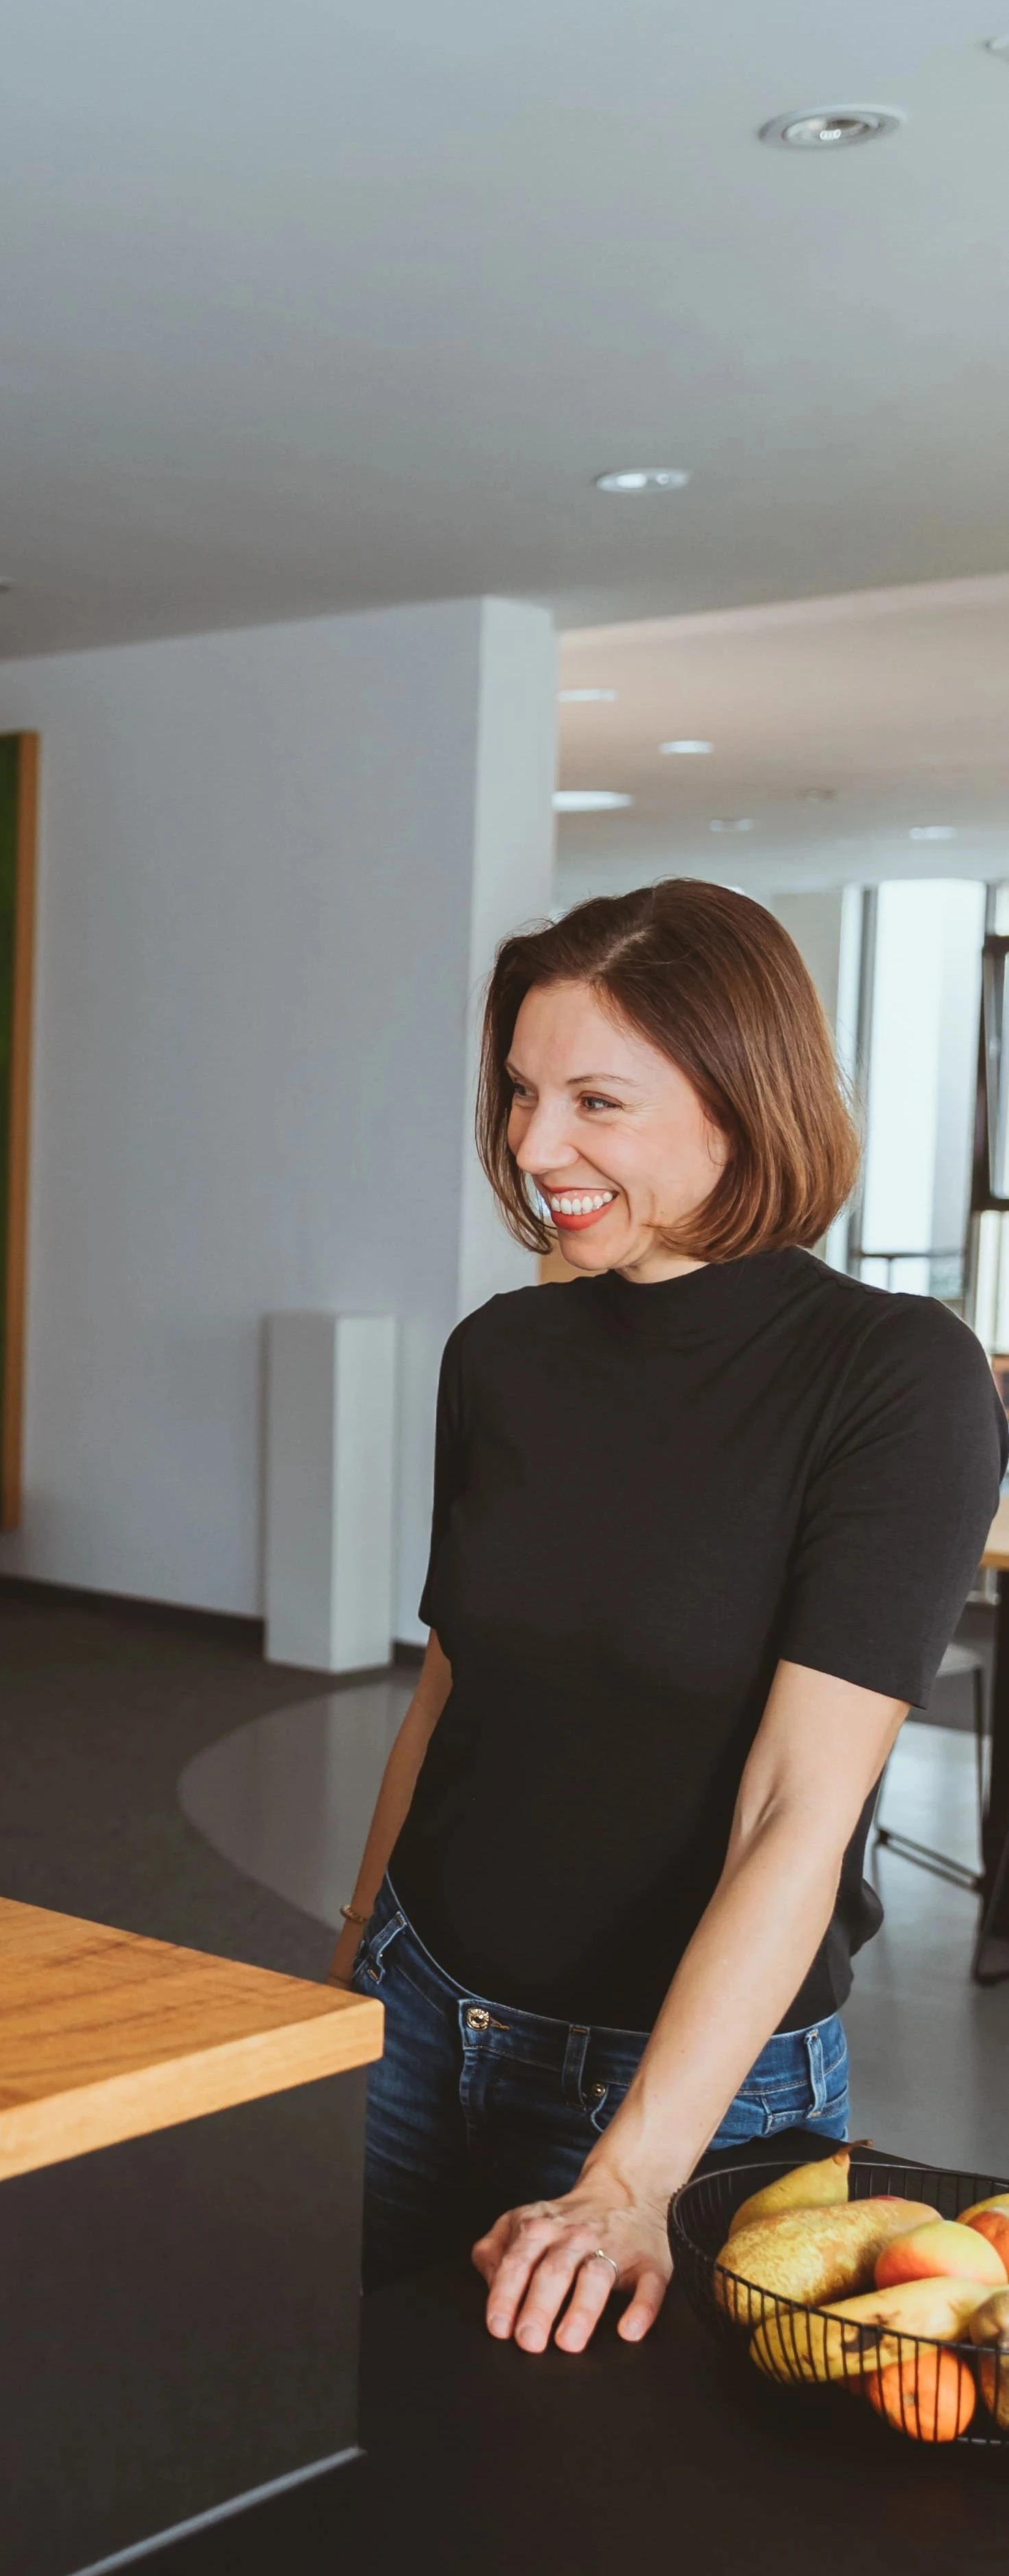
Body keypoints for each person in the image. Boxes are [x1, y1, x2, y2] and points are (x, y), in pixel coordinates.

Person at [332, 880, 1006, 2354]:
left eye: (593, 1100)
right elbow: (448, 1696)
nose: (530, 1145)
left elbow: (793, 1811)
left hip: (685, 2090)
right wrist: (346, 1975)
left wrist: (629, 2177)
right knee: (335, 2414)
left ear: (740, 1103)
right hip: (412, 2010)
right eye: (520, 1091)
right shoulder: (499, 1353)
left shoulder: (894, 1377)